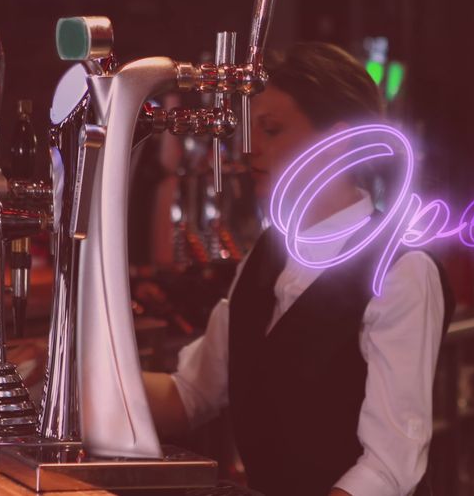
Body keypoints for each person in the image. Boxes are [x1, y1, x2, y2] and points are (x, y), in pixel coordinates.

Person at [143, 42, 454, 496]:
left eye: (271, 130)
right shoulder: (265, 256)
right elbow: (193, 394)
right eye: (251, 132)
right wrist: (70, 378)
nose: (250, 150)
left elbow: (387, 468)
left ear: (338, 143)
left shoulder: (400, 272)